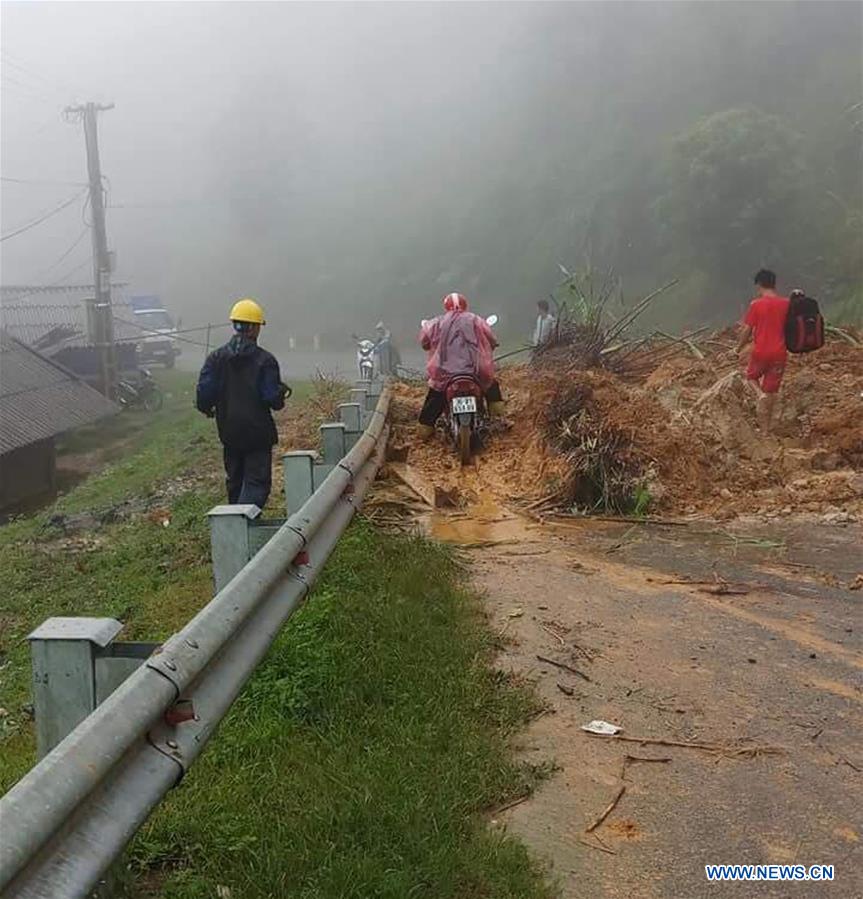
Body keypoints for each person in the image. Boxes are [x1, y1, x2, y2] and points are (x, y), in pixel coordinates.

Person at [196, 298, 290, 509]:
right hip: (258, 434)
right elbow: (273, 400)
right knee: (256, 484)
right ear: (255, 328)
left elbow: (204, 395)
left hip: (229, 432)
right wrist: (280, 392)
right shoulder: (265, 360)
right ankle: (245, 526)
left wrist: (207, 409)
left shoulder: (215, 358)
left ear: (235, 325)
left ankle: (234, 526)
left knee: (235, 482)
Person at [417, 292, 504, 437]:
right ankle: (499, 417)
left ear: (446, 306)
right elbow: (491, 338)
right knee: (491, 386)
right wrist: (492, 344)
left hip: (444, 374)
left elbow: (424, 341)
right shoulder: (476, 320)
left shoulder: (436, 323)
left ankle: (425, 430)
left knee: (434, 396)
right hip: (476, 371)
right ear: (465, 305)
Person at [736, 269, 790, 433]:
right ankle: (770, 429)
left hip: (761, 352)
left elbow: (747, 330)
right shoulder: (786, 304)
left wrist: (738, 348)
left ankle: (760, 398)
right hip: (780, 353)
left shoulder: (756, 304)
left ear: (759, 284)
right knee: (771, 391)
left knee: (751, 377)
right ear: (774, 284)